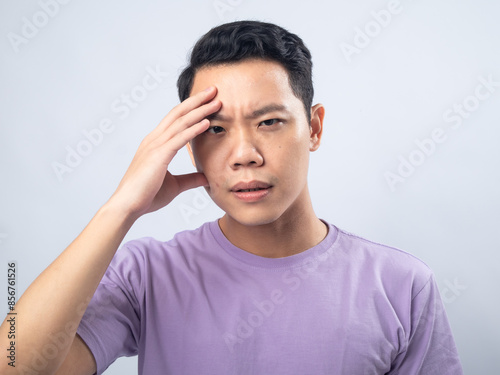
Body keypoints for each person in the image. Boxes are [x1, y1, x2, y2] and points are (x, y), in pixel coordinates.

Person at [0, 20, 463, 375]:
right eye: (216, 130)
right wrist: (120, 208)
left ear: (314, 128)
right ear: (188, 142)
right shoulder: (146, 274)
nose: (244, 155)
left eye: (269, 122)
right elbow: (13, 361)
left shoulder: (402, 285)